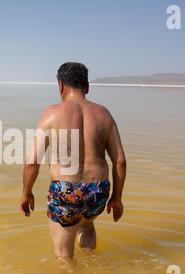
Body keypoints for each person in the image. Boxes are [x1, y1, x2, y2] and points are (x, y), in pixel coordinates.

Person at [19, 62, 126, 259]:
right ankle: (91, 269)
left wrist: (27, 193)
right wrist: (117, 198)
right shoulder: (104, 114)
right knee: (87, 222)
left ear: (60, 85)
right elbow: (119, 161)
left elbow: (33, 162)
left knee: (64, 257)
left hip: (66, 190)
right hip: (98, 190)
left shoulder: (52, 113)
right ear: (87, 87)